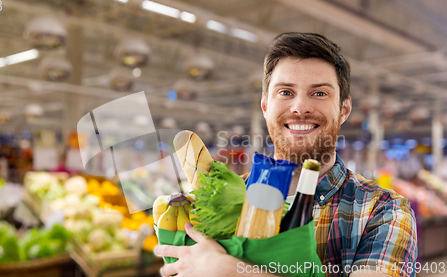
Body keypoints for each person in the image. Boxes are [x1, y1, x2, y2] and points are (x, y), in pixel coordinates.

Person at [154, 32, 417, 277]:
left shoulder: (382, 210)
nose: (300, 107)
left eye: (319, 93)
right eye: (285, 92)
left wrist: (228, 269)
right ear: (266, 106)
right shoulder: (216, 201)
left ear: (344, 110)